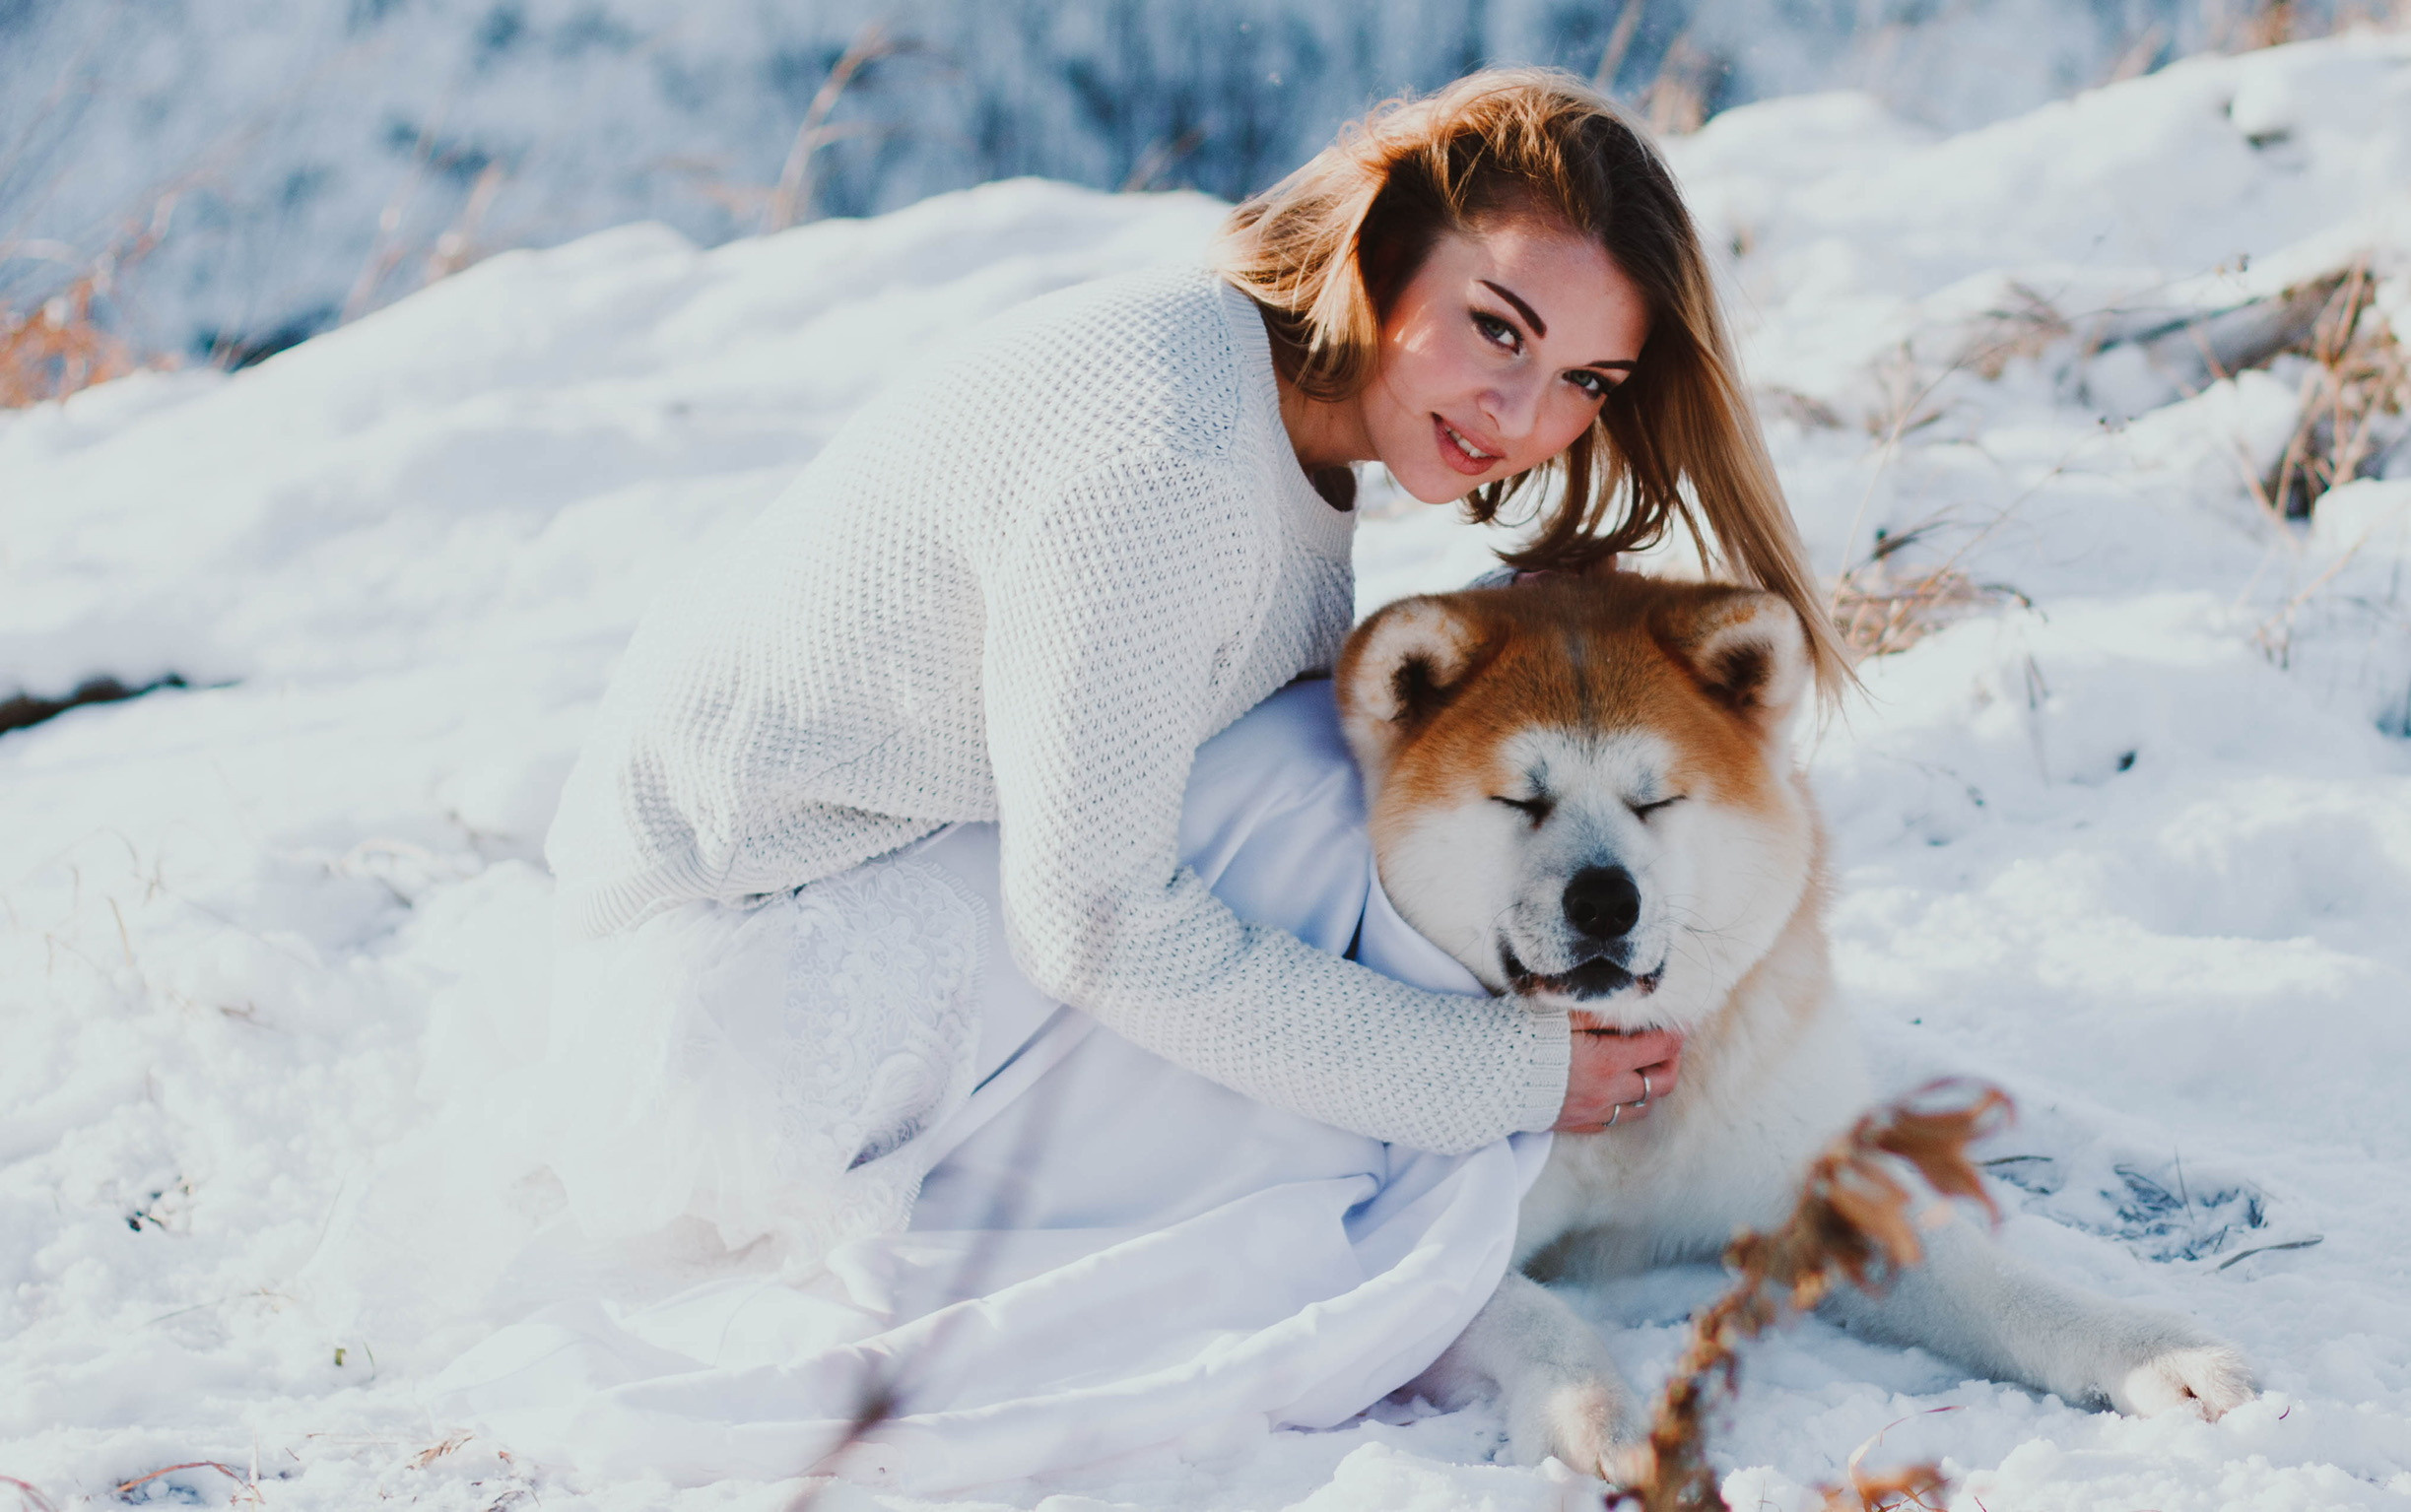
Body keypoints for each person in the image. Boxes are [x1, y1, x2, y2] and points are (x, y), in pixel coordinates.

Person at [433, 66, 1850, 1494]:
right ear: (1387, 241)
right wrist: (1505, 1071)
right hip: (749, 1000)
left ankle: (1413, 1159)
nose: (1521, 412)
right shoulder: (1169, 458)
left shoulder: (1252, 394)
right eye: (1498, 329)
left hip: (803, 919)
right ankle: (1400, 1208)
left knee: (1333, 775)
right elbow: (1095, 919)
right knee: (1324, 784)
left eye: (1584, 384)